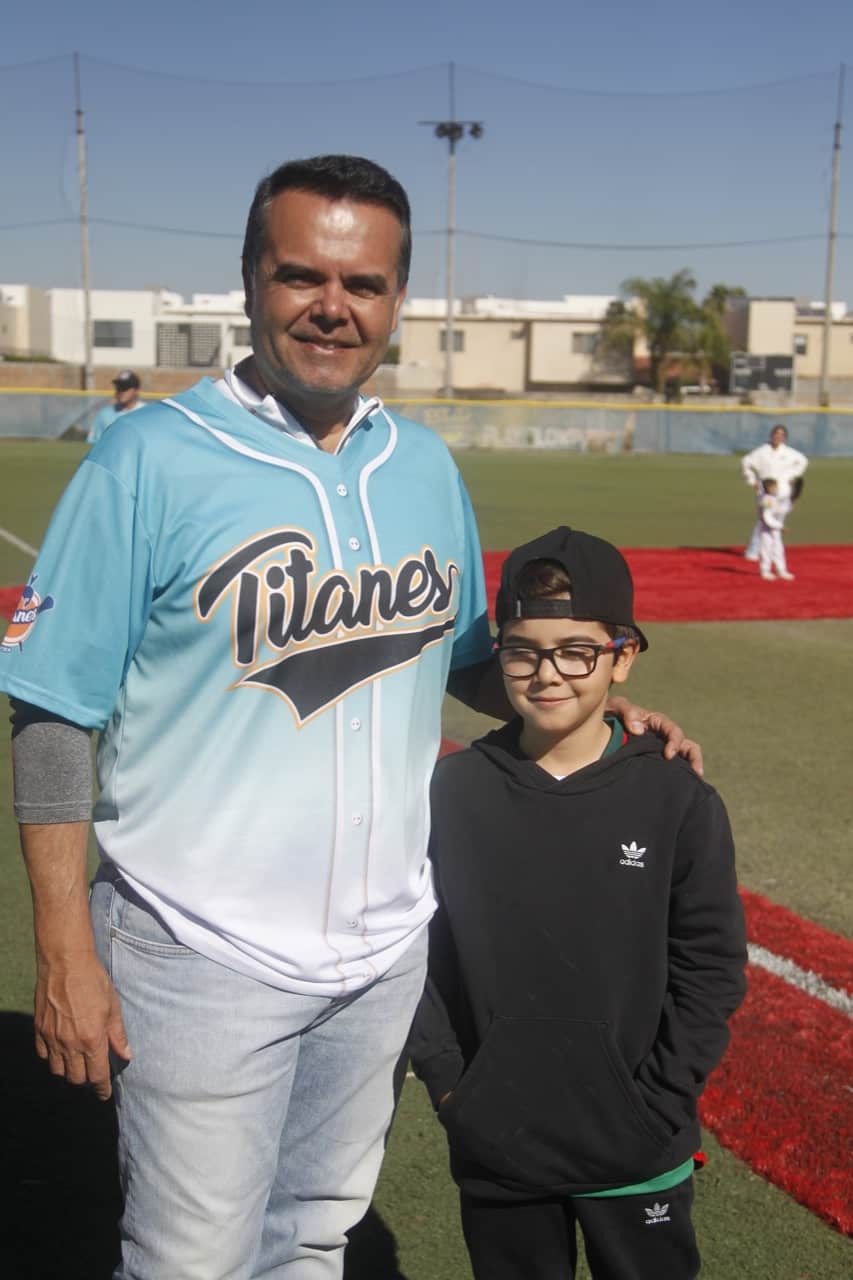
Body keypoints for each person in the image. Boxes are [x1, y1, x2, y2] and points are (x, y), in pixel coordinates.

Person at [0, 156, 700, 1280]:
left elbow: (465, 657)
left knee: (314, 1237)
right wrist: (65, 948)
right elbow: (49, 713)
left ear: (396, 303)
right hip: (196, 946)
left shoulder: (420, 464)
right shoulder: (148, 458)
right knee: (190, 1261)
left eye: (364, 283)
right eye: (302, 275)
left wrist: (595, 711)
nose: (333, 305)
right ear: (249, 283)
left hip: (381, 953)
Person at [408, 525, 747, 1280]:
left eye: (576, 651)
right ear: (499, 655)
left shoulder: (674, 797)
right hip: (497, 1136)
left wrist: (658, 1102)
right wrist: (451, 1083)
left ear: (621, 656)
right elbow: (416, 951)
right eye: (524, 650)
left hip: (637, 1143)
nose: (547, 674)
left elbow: (710, 966)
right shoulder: (452, 791)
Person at [741, 423, 807, 561]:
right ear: (772, 435)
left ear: (785, 437)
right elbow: (745, 462)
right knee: (765, 520)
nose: (778, 437)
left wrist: (793, 476)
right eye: (776, 434)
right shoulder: (762, 451)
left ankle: (770, 551)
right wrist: (752, 481)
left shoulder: (789, 453)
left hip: (783, 491)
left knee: (778, 521)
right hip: (765, 491)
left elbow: (803, 461)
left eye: (781, 435)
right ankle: (753, 551)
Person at [86, 369, 144, 443]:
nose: (121, 391)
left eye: (125, 388)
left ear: (136, 390)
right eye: (118, 387)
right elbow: (92, 442)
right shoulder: (104, 414)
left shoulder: (146, 414)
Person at [756, 477, 794, 581]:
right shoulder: (766, 500)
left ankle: (781, 570)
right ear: (769, 488)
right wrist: (780, 526)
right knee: (766, 549)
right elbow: (766, 517)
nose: (776, 488)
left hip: (775, 528)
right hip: (767, 529)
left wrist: (789, 503)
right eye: (774, 487)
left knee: (778, 549)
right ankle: (765, 571)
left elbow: (779, 510)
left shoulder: (773, 498)